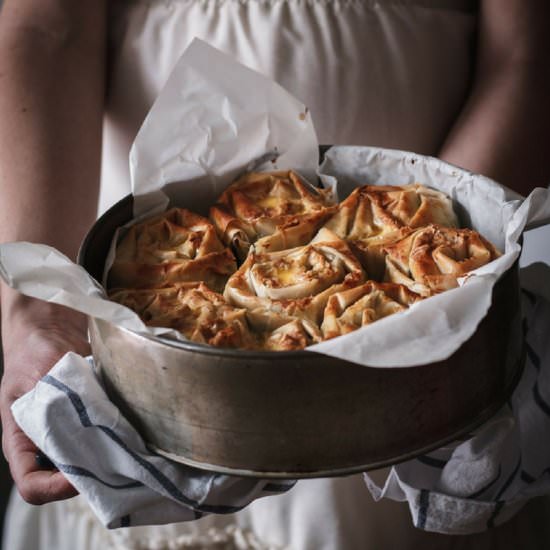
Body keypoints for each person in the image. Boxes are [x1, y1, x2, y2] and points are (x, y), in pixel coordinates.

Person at [1, 0, 550, 548]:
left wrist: (438, 310)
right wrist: (40, 309)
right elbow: (46, 27)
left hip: (426, 387)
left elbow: (523, 51)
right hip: (150, 349)